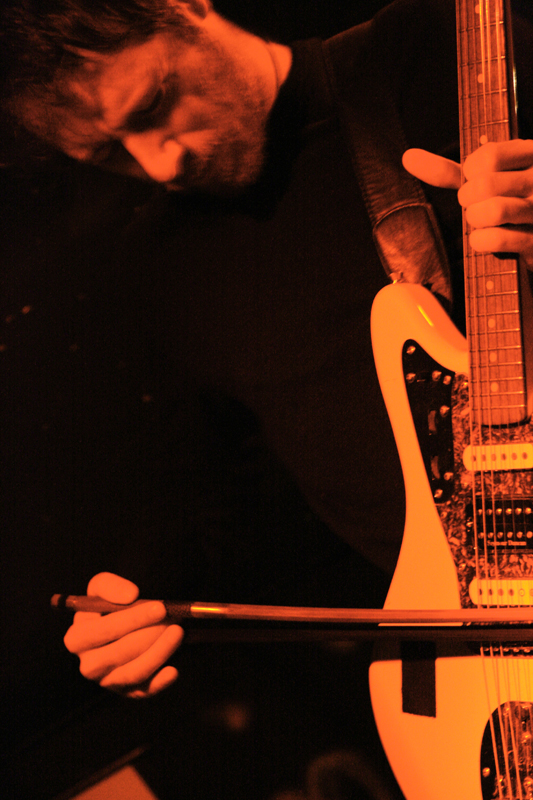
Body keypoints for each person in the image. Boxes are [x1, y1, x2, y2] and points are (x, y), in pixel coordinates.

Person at [2, 0, 533, 791]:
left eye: (151, 105)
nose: (158, 164)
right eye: (108, 154)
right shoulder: (164, 270)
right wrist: (138, 615)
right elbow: (217, 524)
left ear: (185, 7)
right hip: (474, 684)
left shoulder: (442, 50)